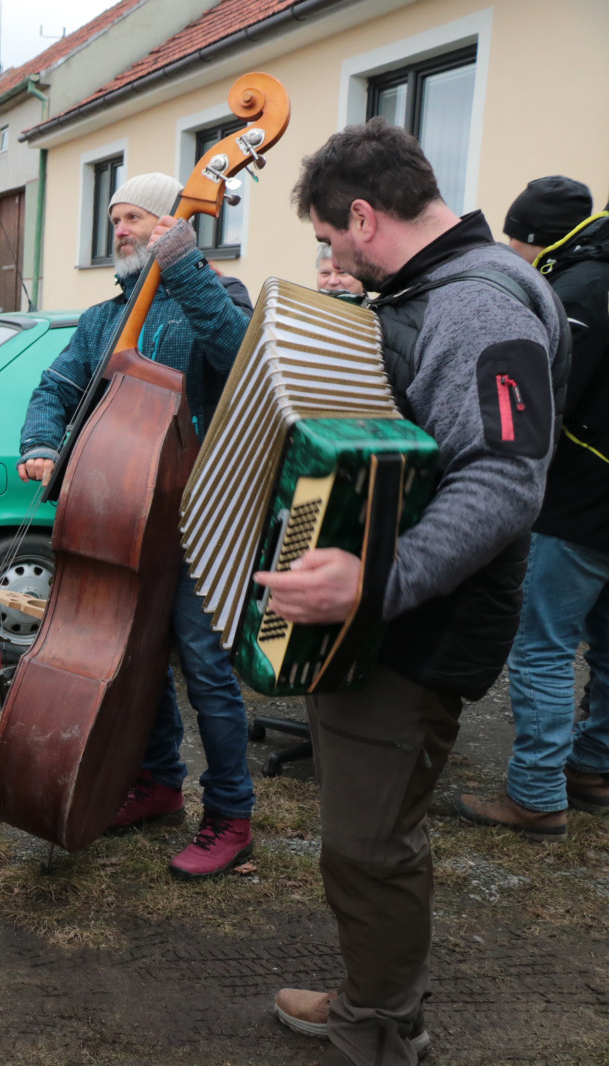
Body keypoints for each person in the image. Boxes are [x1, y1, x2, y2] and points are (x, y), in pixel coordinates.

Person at [262, 118, 568, 1066]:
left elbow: (506, 483)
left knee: (369, 845)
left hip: (416, 629)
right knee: (367, 834)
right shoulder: (443, 289)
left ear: (362, 214)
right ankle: (372, 998)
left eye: (325, 237)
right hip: (396, 615)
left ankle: (381, 1032)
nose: (328, 254)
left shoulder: (480, 306)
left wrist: (374, 582)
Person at [17, 172, 258, 881]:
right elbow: (56, 387)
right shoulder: (101, 319)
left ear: (167, 226)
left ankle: (231, 815)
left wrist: (184, 269)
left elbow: (241, 355)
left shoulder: (219, 295)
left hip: (195, 514)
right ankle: (157, 784)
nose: (118, 229)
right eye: (114, 218)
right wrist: (40, 442)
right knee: (132, 661)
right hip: (122, 518)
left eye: (133, 219)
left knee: (206, 669)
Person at [455, 176, 609, 839]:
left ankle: (537, 793)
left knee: (544, 648)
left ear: (539, 239)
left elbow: (546, 400)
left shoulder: (576, 293)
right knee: (607, 646)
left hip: (578, 504)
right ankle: (593, 767)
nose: (512, 253)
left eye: (515, 241)